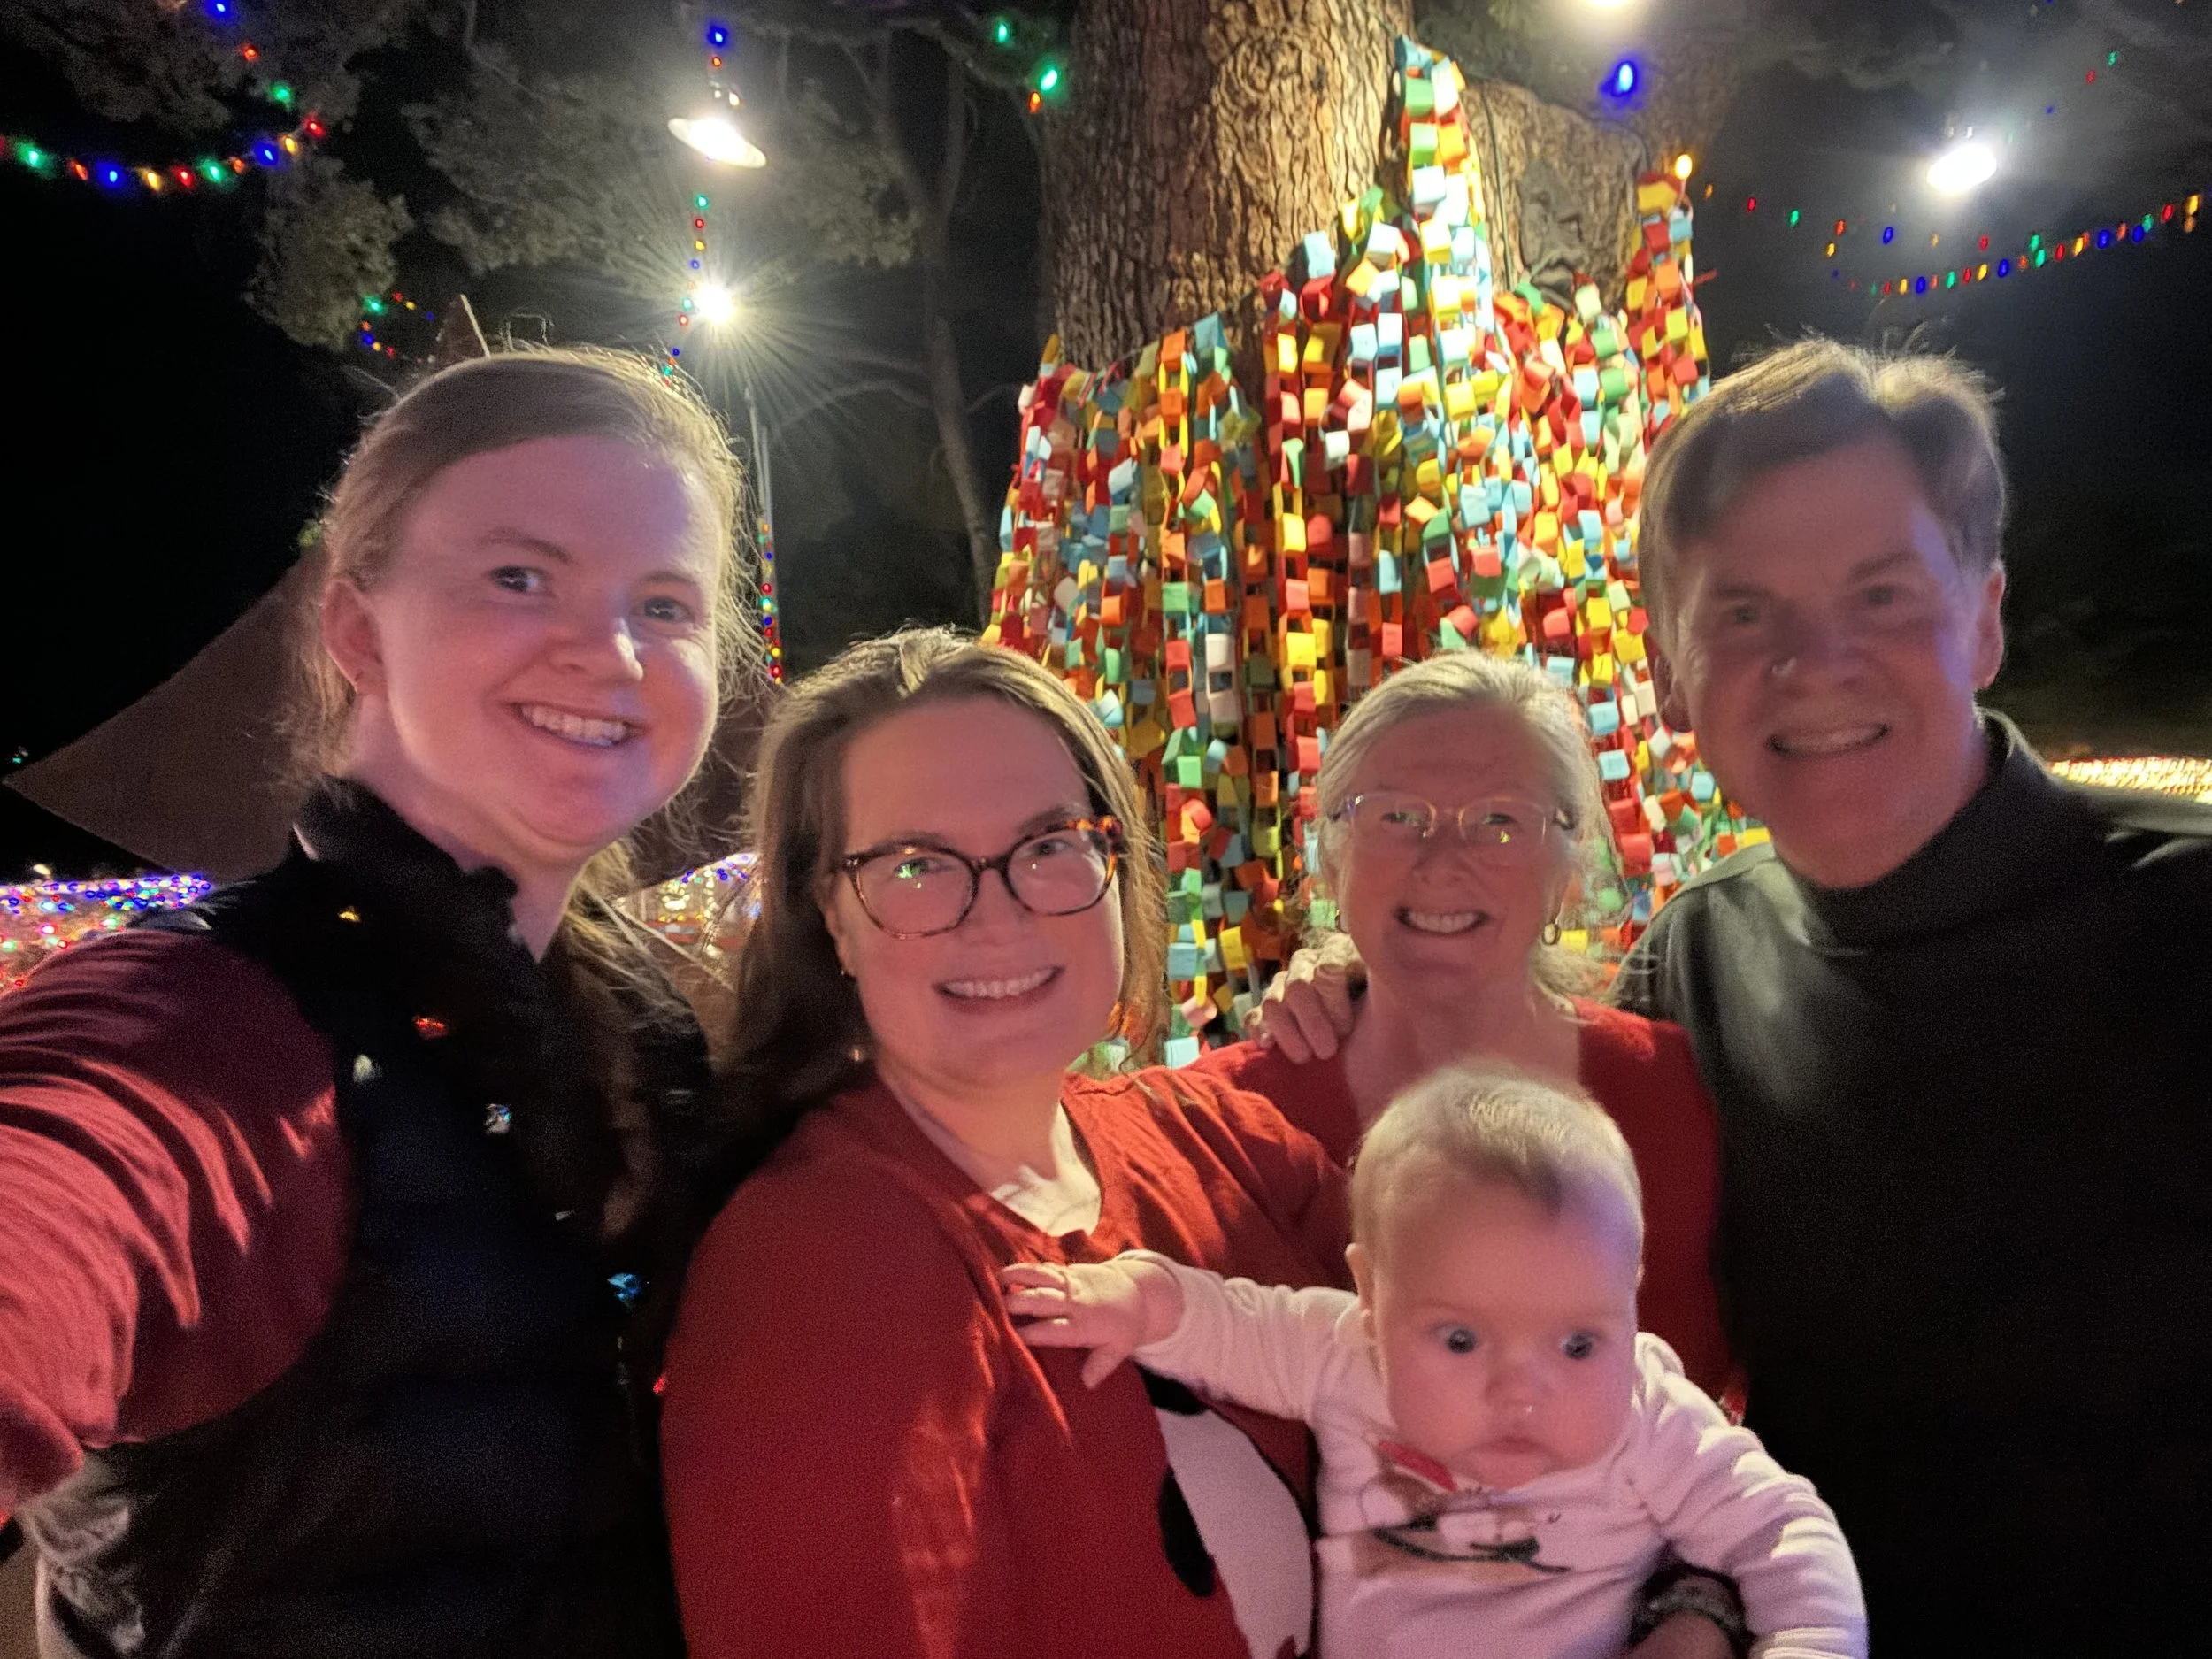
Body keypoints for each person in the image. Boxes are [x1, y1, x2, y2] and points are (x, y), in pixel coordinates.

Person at [1250, 339, 2212, 1650]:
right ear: (1669, 670)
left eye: (1880, 593)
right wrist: (1377, 977)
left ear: (1985, 616)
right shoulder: (1697, 964)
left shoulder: (2183, 919)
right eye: (1746, 614)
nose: (1816, 659)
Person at [0, 348, 764, 1657]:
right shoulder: (213, 1019)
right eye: (519, 576)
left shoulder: (645, 1035)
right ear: (356, 630)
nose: (611, 650)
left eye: (665, 602)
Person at [658, 629, 1351, 1659]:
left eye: (1048, 844)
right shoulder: (824, 1264)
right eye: (915, 865)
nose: (1000, 915)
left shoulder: (1224, 1146)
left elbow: (1524, 1364)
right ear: (830, 916)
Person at [1006, 1065, 1863, 1659]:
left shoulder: (1649, 1415)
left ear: (1628, 1297)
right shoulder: (1348, 1354)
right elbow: (1238, 1322)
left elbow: (1782, 1529)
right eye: (1459, 1339)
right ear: (1371, 1296)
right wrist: (1143, 1301)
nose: (1519, 1390)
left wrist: (1807, 1643)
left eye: (1577, 1342)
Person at [1194, 654, 1732, 1398]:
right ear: (1331, 855)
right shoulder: (1222, 1126)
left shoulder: (1680, 1095)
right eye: (1396, 817)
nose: (1442, 861)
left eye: (1499, 822)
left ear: (1567, 870)